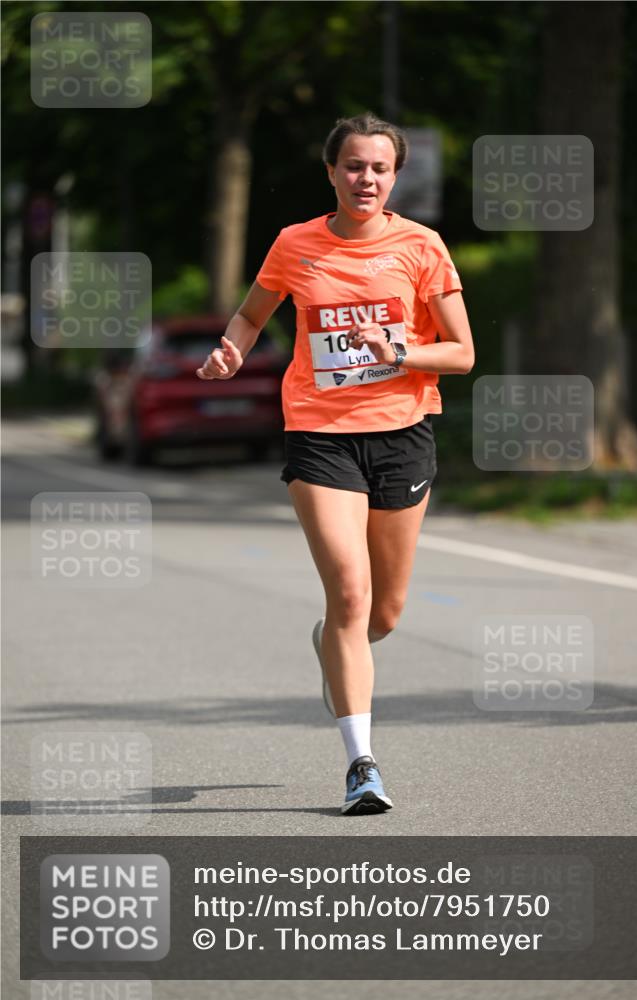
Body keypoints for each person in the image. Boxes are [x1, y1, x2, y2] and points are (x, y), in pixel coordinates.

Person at [196, 112, 474, 816]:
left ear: (394, 176)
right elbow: (251, 315)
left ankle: (330, 644)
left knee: (382, 612)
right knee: (349, 593)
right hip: (319, 434)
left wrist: (400, 353)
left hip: (402, 434)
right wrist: (232, 349)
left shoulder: (421, 246)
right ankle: (362, 765)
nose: (366, 179)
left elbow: (462, 352)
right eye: (353, 166)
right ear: (331, 171)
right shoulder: (296, 244)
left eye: (379, 168)